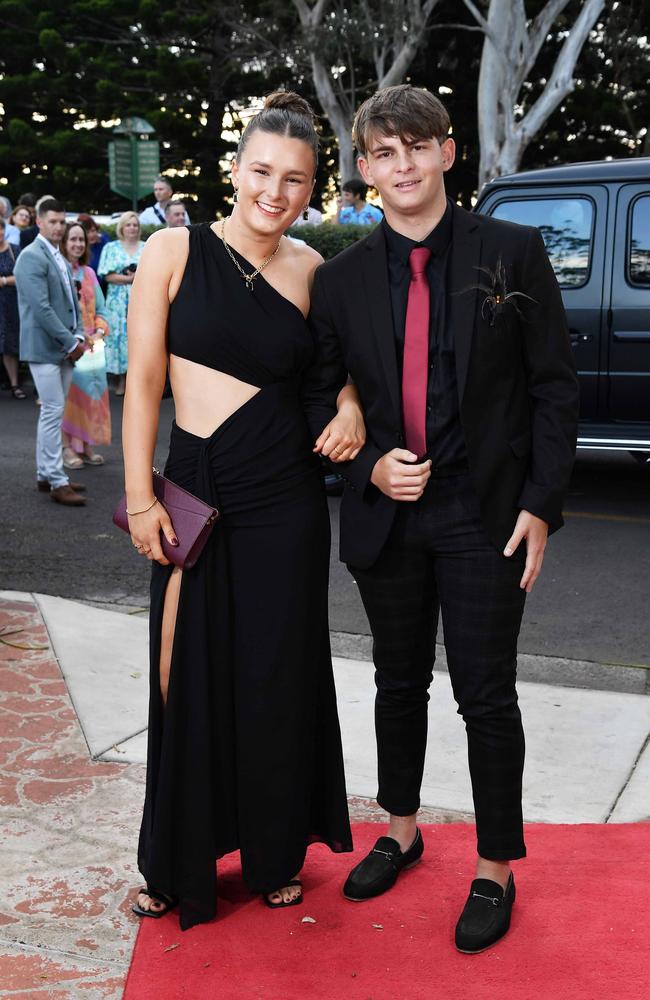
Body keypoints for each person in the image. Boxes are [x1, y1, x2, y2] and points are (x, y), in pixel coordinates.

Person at [303, 85, 579, 954]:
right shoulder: (339, 278)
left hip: (485, 512)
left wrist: (542, 506)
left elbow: (552, 389)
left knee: (486, 694)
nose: (404, 164)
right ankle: (402, 827)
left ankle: (495, 867)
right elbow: (320, 386)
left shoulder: (513, 251)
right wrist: (371, 456)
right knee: (395, 683)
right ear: (365, 169)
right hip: (389, 510)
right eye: (384, 152)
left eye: (418, 146)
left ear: (448, 153)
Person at [123, 91, 362, 930]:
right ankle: (174, 859)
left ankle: (273, 853)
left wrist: (352, 405)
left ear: (311, 188)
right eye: (261, 170)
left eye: (295, 179)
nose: (276, 190)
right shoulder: (171, 250)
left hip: (284, 503)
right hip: (190, 488)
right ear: (235, 170)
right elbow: (143, 384)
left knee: (274, 675)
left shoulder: (313, 272)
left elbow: (332, 376)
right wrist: (138, 495)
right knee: (177, 672)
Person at [14, 198, 88, 506]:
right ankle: (56, 480)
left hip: (62, 347)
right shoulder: (31, 256)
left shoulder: (56, 254)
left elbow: (72, 302)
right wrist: (72, 342)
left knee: (52, 413)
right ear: (40, 223)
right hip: (44, 348)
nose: (59, 227)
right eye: (53, 222)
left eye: (62, 221)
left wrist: (80, 333)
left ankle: (47, 475)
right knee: (52, 412)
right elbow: (41, 309)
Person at [60, 222, 111, 467]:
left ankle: (86, 444)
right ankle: (67, 447)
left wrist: (100, 330)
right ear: (64, 242)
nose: (78, 244)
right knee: (69, 398)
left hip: (93, 345)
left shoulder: (89, 274)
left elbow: (102, 309)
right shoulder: (58, 271)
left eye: (81, 240)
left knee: (92, 396)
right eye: (73, 239)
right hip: (70, 345)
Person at [97, 211, 144, 396]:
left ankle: (136, 380)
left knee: (138, 337)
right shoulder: (110, 247)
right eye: (128, 225)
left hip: (140, 299)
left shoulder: (147, 246)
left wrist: (135, 278)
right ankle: (120, 380)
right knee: (117, 337)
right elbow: (106, 275)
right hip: (117, 302)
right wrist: (129, 279)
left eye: (135, 225)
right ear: (121, 227)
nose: (132, 228)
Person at [0, 218, 25, 398]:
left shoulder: (15, 250)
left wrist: (3, 281)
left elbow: (23, 277)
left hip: (11, 303)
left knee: (10, 344)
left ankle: (15, 384)